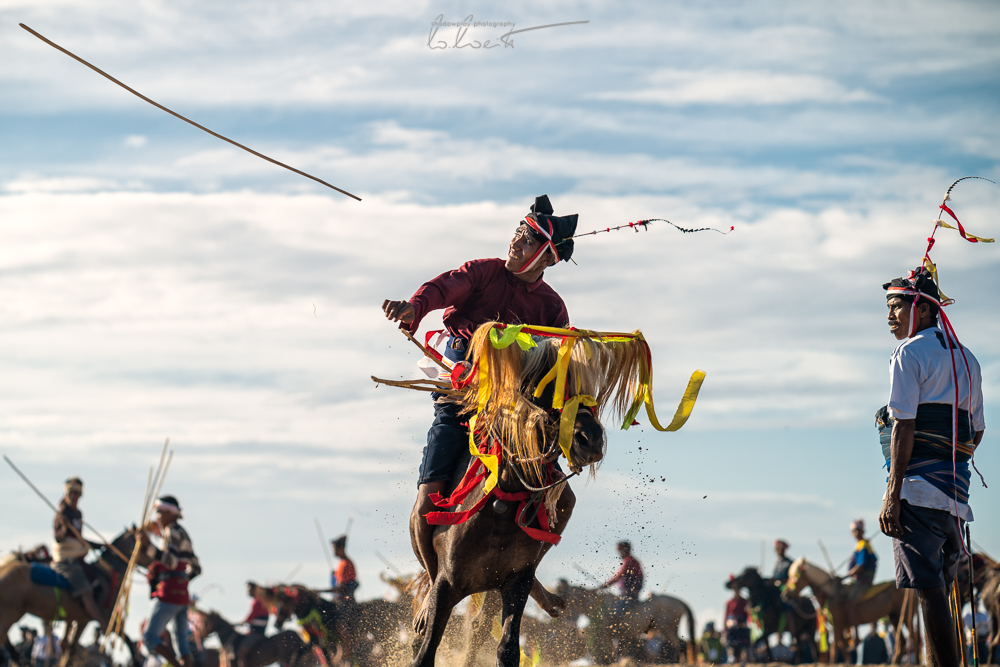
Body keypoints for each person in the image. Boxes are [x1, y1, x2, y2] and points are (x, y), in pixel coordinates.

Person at [382, 194, 577, 588]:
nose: (514, 243)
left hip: (514, 411)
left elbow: (560, 364)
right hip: (461, 391)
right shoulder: (483, 272)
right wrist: (414, 308)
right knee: (426, 498)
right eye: (516, 234)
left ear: (546, 257)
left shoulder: (553, 309)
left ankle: (524, 572)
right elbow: (442, 288)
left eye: (526, 240)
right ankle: (436, 582)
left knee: (567, 500)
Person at [878, 267, 985, 667]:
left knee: (929, 592)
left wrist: (893, 494)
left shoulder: (908, 354)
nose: (889, 316)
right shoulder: (969, 358)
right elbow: (975, 434)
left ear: (921, 311)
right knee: (940, 588)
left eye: (896, 307)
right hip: (955, 498)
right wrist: (951, 468)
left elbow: (905, 424)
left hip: (916, 490)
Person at [141, 495, 201, 667]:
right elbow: (196, 568)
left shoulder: (171, 532)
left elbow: (171, 562)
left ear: (170, 513)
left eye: (159, 512)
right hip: (182, 597)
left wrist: (148, 546)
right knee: (182, 646)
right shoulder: (184, 534)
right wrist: (182, 580)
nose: (157, 517)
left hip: (169, 595)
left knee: (149, 638)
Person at [50, 476, 107, 629]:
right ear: (66, 494)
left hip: (78, 557)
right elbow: (58, 538)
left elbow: (79, 538)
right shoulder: (62, 512)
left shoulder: (78, 514)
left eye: (77, 493)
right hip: (66, 560)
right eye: (71, 493)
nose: (74, 497)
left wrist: (99, 545)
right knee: (87, 593)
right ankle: (102, 623)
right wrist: (63, 527)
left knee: (97, 581)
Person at [599, 540, 644, 615]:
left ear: (626, 550)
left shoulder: (629, 561)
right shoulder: (631, 561)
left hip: (629, 596)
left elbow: (618, 576)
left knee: (616, 615)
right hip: (627, 594)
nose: (619, 553)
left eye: (620, 551)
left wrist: (606, 585)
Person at [723, 582, 751, 663]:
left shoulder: (745, 602)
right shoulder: (729, 602)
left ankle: (744, 658)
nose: (736, 590)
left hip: (742, 626)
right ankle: (731, 657)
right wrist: (726, 627)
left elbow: (748, 615)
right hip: (732, 627)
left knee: (744, 642)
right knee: (730, 642)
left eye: (737, 589)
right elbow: (726, 616)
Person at [328, 535, 359, 603]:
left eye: (335, 548)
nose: (333, 551)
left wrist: (320, 591)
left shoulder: (345, 564)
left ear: (341, 548)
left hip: (345, 603)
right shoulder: (342, 563)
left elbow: (340, 588)